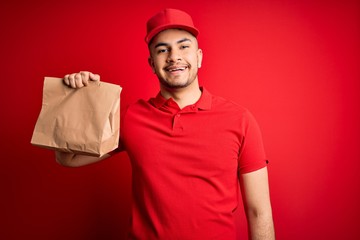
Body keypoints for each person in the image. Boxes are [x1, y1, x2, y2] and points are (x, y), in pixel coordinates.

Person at [56, 8, 275, 240]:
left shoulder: (240, 120)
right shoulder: (132, 117)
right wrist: (75, 99)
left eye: (183, 46)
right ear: (151, 63)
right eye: (163, 50)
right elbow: (67, 158)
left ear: (199, 56)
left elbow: (258, 212)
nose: (174, 56)